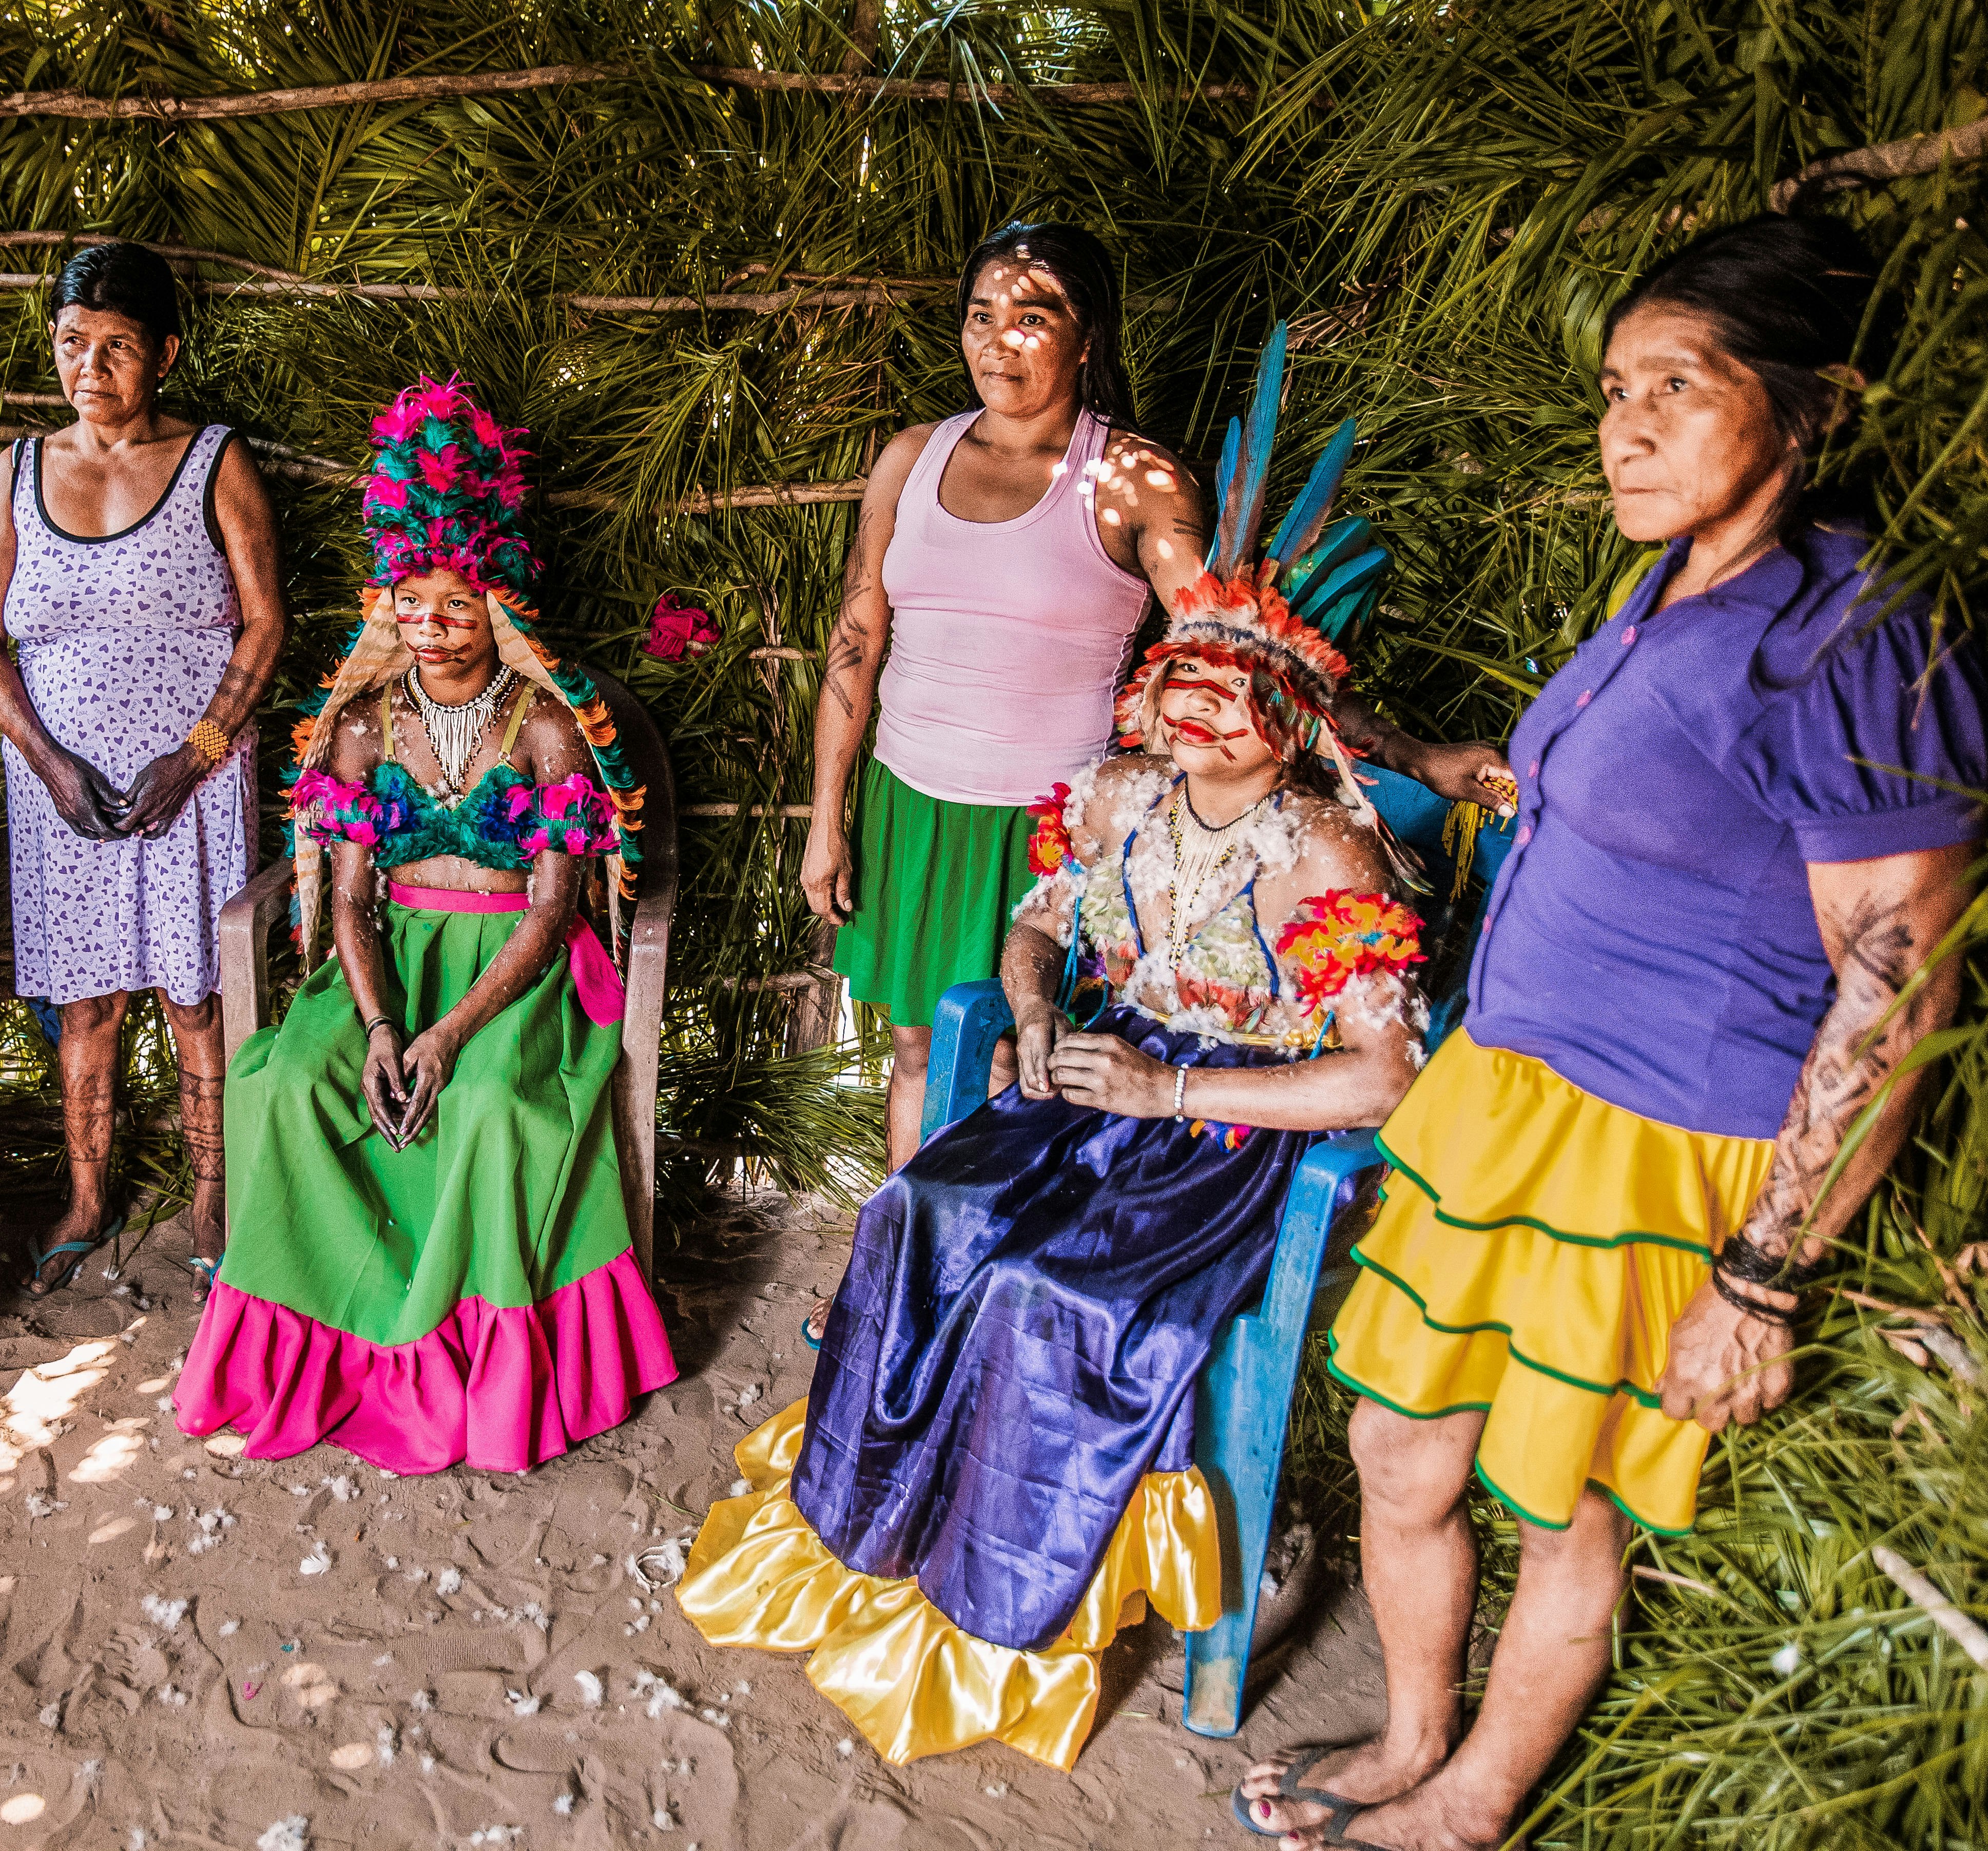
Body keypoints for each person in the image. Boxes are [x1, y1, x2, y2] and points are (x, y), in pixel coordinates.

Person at [1240, 217, 1985, 1851]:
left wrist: (1765, 1275)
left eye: (1676, 384)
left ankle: (1470, 1805)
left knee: (1565, 1503)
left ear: (1808, 407)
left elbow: (1899, 972)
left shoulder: (1848, 637)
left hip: (1660, 1138)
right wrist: (1391, 747)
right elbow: (1580, 789)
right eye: (1612, 386)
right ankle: (1414, 1730)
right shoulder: (1668, 581)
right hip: (1509, 1104)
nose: (1624, 422)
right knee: (1397, 1443)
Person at [683, 361, 1426, 1771]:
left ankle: (996, 1603)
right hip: (1098, 1074)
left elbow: (1382, 1078)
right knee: (916, 1209)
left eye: (1235, 685)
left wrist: (1171, 1092)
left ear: (1293, 710)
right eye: (1184, 677)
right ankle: (869, 1534)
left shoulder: (1324, 849)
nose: (1201, 705)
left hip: (1227, 1131)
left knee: (1042, 1288)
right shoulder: (1117, 796)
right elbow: (1035, 923)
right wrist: (1030, 1016)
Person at [797, 222, 1498, 1342]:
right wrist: (827, 815)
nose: (996, 340)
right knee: (919, 1049)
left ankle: (983, 1288)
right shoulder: (908, 458)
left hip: (1045, 820)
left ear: (1086, 337)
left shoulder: (1128, 481)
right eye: (981, 313)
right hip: (908, 797)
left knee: (1020, 1055)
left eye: (1031, 317)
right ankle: (897, 1282)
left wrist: (1412, 758)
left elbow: (1240, 648)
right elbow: (855, 634)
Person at [172, 378, 677, 1474]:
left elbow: (553, 906)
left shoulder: (545, 726)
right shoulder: (361, 724)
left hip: (514, 965)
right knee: (289, 1079)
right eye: (414, 603)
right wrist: (385, 1027)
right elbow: (347, 896)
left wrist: (448, 1037)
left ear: (496, 604)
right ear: (387, 607)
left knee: (495, 1098)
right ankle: (330, 1350)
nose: (434, 627)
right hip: (388, 957)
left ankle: (472, 1363)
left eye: (457, 603)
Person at [0, 242, 289, 1296]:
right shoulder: (16, 471)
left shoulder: (213, 462)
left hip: (188, 785)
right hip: (63, 794)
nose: (88, 366)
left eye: (116, 347)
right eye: (69, 343)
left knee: (195, 1002)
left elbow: (266, 623)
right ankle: (88, 1199)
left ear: (165, 354)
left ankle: (209, 1199)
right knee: (88, 1003)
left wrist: (195, 758)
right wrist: (48, 764)